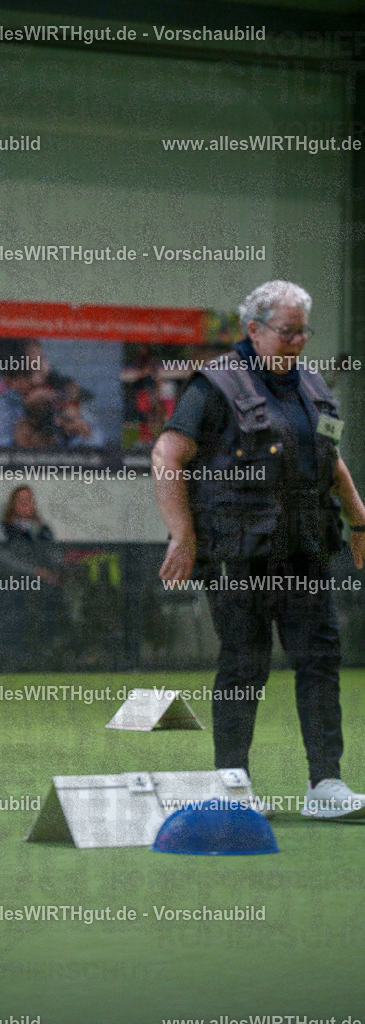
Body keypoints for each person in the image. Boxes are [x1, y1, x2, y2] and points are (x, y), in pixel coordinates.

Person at [151, 280, 365, 819]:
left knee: (319, 659)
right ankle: (233, 784)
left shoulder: (314, 386)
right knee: (244, 665)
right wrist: (182, 532)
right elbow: (166, 454)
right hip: (238, 555)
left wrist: (360, 519)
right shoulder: (216, 386)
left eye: (302, 332)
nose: (297, 342)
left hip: (305, 549)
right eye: (286, 332)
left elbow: (331, 459)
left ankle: (326, 787)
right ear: (253, 329)